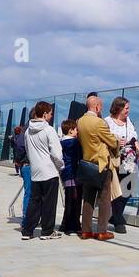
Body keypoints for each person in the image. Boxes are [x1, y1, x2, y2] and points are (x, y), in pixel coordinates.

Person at [76, 93, 118, 240]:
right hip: (100, 164)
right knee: (104, 199)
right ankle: (101, 231)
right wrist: (119, 142)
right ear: (97, 106)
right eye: (101, 106)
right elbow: (112, 142)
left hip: (87, 164)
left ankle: (86, 230)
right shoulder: (99, 123)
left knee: (88, 199)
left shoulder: (80, 121)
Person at [22, 101, 64, 240]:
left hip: (35, 171)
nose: (52, 116)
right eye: (51, 113)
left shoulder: (28, 130)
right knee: (49, 203)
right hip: (49, 171)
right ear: (45, 114)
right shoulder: (48, 130)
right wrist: (60, 166)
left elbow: (28, 151)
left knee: (34, 202)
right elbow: (57, 153)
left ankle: (27, 231)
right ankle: (47, 231)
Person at [105, 95, 139, 233]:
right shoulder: (107, 121)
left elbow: (134, 139)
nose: (128, 110)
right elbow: (103, 138)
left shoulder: (128, 122)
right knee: (117, 187)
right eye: (126, 108)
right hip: (114, 157)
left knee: (129, 186)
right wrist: (115, 141)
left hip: (129, 158)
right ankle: (118, 220)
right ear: (119, 108)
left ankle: (115, 216)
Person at [59, 118, 83, 234]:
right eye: (76, 129)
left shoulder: (61, 142)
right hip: (73, 174)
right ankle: (72, 225)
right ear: (70, 130)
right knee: (74, 200)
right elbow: (80, 156)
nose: (77, 132)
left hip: (65, 173)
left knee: (68, 198)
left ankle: (64, 225)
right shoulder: (74, 142)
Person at [12, 124, 32, 228]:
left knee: (29, 192)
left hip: (25, 165)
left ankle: (28, 217)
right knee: (29, 192)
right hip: (28, 165)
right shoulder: (26, 134)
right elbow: (20, 146)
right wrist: (19, 160)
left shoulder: (21, 135)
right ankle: (26, 218)